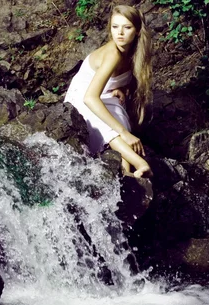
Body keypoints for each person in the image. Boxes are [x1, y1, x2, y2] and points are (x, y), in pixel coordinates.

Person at [65, 4, 152, 178]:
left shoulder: (136, 53)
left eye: (126, 27)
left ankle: (126, 173)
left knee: (119, 117)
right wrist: (124, 133)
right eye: (115, 27)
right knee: (114, 128)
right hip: (82, 97)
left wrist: (122, 87)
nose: (119, 33)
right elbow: (89, 98)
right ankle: (141, 164)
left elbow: (128, 80)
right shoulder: (113, 54)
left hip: (105, 95)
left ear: (136, 31)